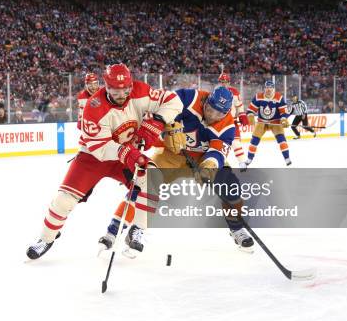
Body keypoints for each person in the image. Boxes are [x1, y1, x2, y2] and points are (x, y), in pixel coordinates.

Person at [26, 63, 182, 260]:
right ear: (106, 87)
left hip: (127, 153)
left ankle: (137, 229)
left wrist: (157, 121)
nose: (122, 93)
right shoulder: (94, 107)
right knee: (63, 201)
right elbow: (100, 147)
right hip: (93, 157)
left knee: (152, 179)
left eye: (126, 88)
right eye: (116, 90)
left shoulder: (141, 91)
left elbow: (173, 101)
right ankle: (45, 238)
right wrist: (128, 152)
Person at [98, 85, 255, 254]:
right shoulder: (189, 97)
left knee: (230, 185)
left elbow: (217, 152)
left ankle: (237, 228)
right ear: (206, 100)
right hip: (172, 154)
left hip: (202, 159)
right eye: (210, 109)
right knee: (145, 182)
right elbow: (163, 108)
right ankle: (120, 227)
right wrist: (169, 129)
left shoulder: (228, 126)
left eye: (219, 114)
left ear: (226, 113)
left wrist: (209, 166)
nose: (212, 116)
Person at [244, 80, 291, 168]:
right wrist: (250, 117)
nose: (268, 90)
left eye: (270, 88)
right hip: (261, 122)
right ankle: (249, 159)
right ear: (264, 89)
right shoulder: (258, 97)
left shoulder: (279, 97)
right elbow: (250, 110)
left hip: (275, 122)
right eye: (267, 88)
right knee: (254, 140)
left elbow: (284, 112)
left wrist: (284, 119)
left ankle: (287, 158)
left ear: (274, 89)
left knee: (282, 140)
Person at [218, 73, 248, 169]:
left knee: (235, 143)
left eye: (225, 82)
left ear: (229, 82)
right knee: (219, 145)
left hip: (232, 122)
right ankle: (222, 162)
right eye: (222, 82)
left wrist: (242, 115)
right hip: (219, 123)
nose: (224, 84)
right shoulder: (216, 92)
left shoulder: (234, 92)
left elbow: (239, 106)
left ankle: (242, 162)